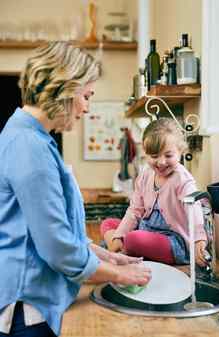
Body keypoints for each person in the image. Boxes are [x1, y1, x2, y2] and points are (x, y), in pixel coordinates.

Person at [0, 41, 151, 337]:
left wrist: (106, 256)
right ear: (65, 88)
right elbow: (56, 247)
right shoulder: (28, 145)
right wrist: (119, 274)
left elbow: (45, 230)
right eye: (86, 96)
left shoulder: (30, 137)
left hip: (32, 298)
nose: (86, 107)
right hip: (27, 307)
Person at [101, 118, 208, 267]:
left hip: (172, 241)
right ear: (146, 153)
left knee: (133, 239)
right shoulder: (145, 175)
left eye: (168, 155)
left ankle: (120, 251)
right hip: (145, 231)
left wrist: (198, 239)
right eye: (154, 156)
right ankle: (120, 249)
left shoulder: (182, 179)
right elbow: (134, 211)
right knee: (108, 223)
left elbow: (194, 209)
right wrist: (119, 235)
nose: (161, 162)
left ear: (181, 151)